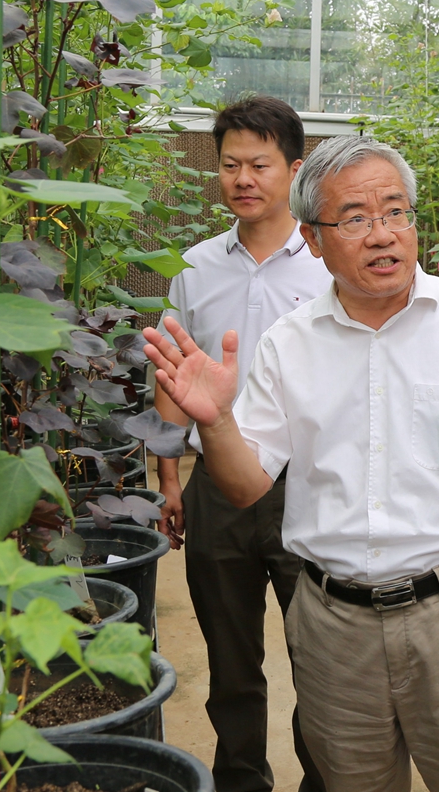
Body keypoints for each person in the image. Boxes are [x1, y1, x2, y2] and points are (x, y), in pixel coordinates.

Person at [144, 135, 439, 792]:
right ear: (315, 241)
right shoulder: (288, 346)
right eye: (354, 218)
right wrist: (216, 419)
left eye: (396, 211)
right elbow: (244, 483)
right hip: (334, 626)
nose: (382, 235)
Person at [153, 95, 331, 792]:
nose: (243, 178)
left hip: (308, 486)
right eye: (230, 165)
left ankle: (324, 778)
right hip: (218, 486)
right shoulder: (196, 267)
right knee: (230, 661)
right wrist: (169, 477)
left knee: (317, 655)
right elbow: (171, 373)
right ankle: (241, 780)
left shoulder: (327, 264)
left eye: (260, 163)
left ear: (295, 167)